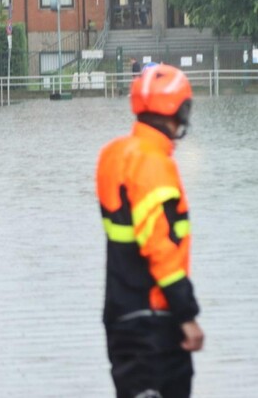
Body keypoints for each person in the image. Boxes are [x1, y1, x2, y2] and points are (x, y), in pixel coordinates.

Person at [96, 65, 204, 398]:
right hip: (155, 321)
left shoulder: (114, 155)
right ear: (177, 110)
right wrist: (186, 313)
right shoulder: (154, 164)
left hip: (120, 316)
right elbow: (159, 246)